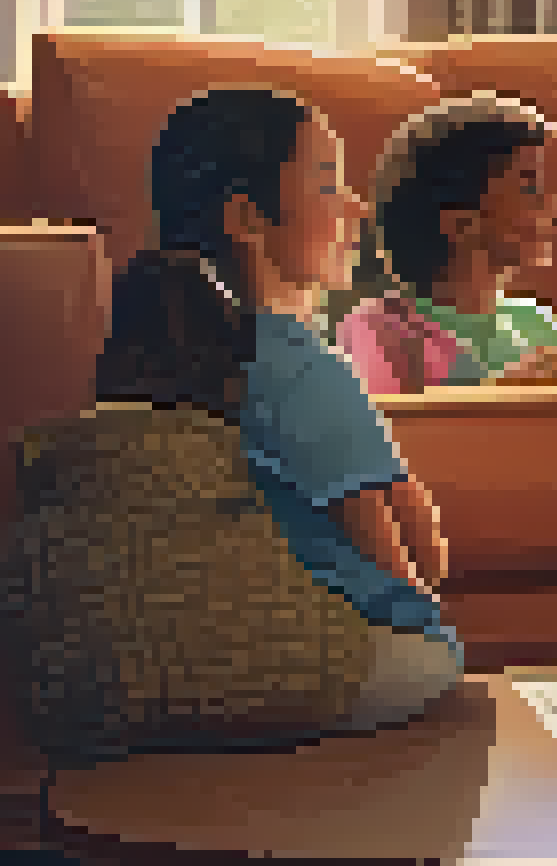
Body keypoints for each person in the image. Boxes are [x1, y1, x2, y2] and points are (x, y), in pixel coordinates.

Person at [88, 88, 462, 741]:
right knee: (437, 653)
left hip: (195, 646)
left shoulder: (169, 358)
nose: (354, 207)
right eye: (327, 185)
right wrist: (423, 599)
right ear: (246, 218)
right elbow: (403, 556)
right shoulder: (301, 366)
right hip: (318, 655)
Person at [335, 93, 557, 394]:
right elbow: (386, 426)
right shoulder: (381, 331)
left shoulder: (535, 323)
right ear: (461, 224)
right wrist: (497, 395)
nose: (550, 204)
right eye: (528, 186)